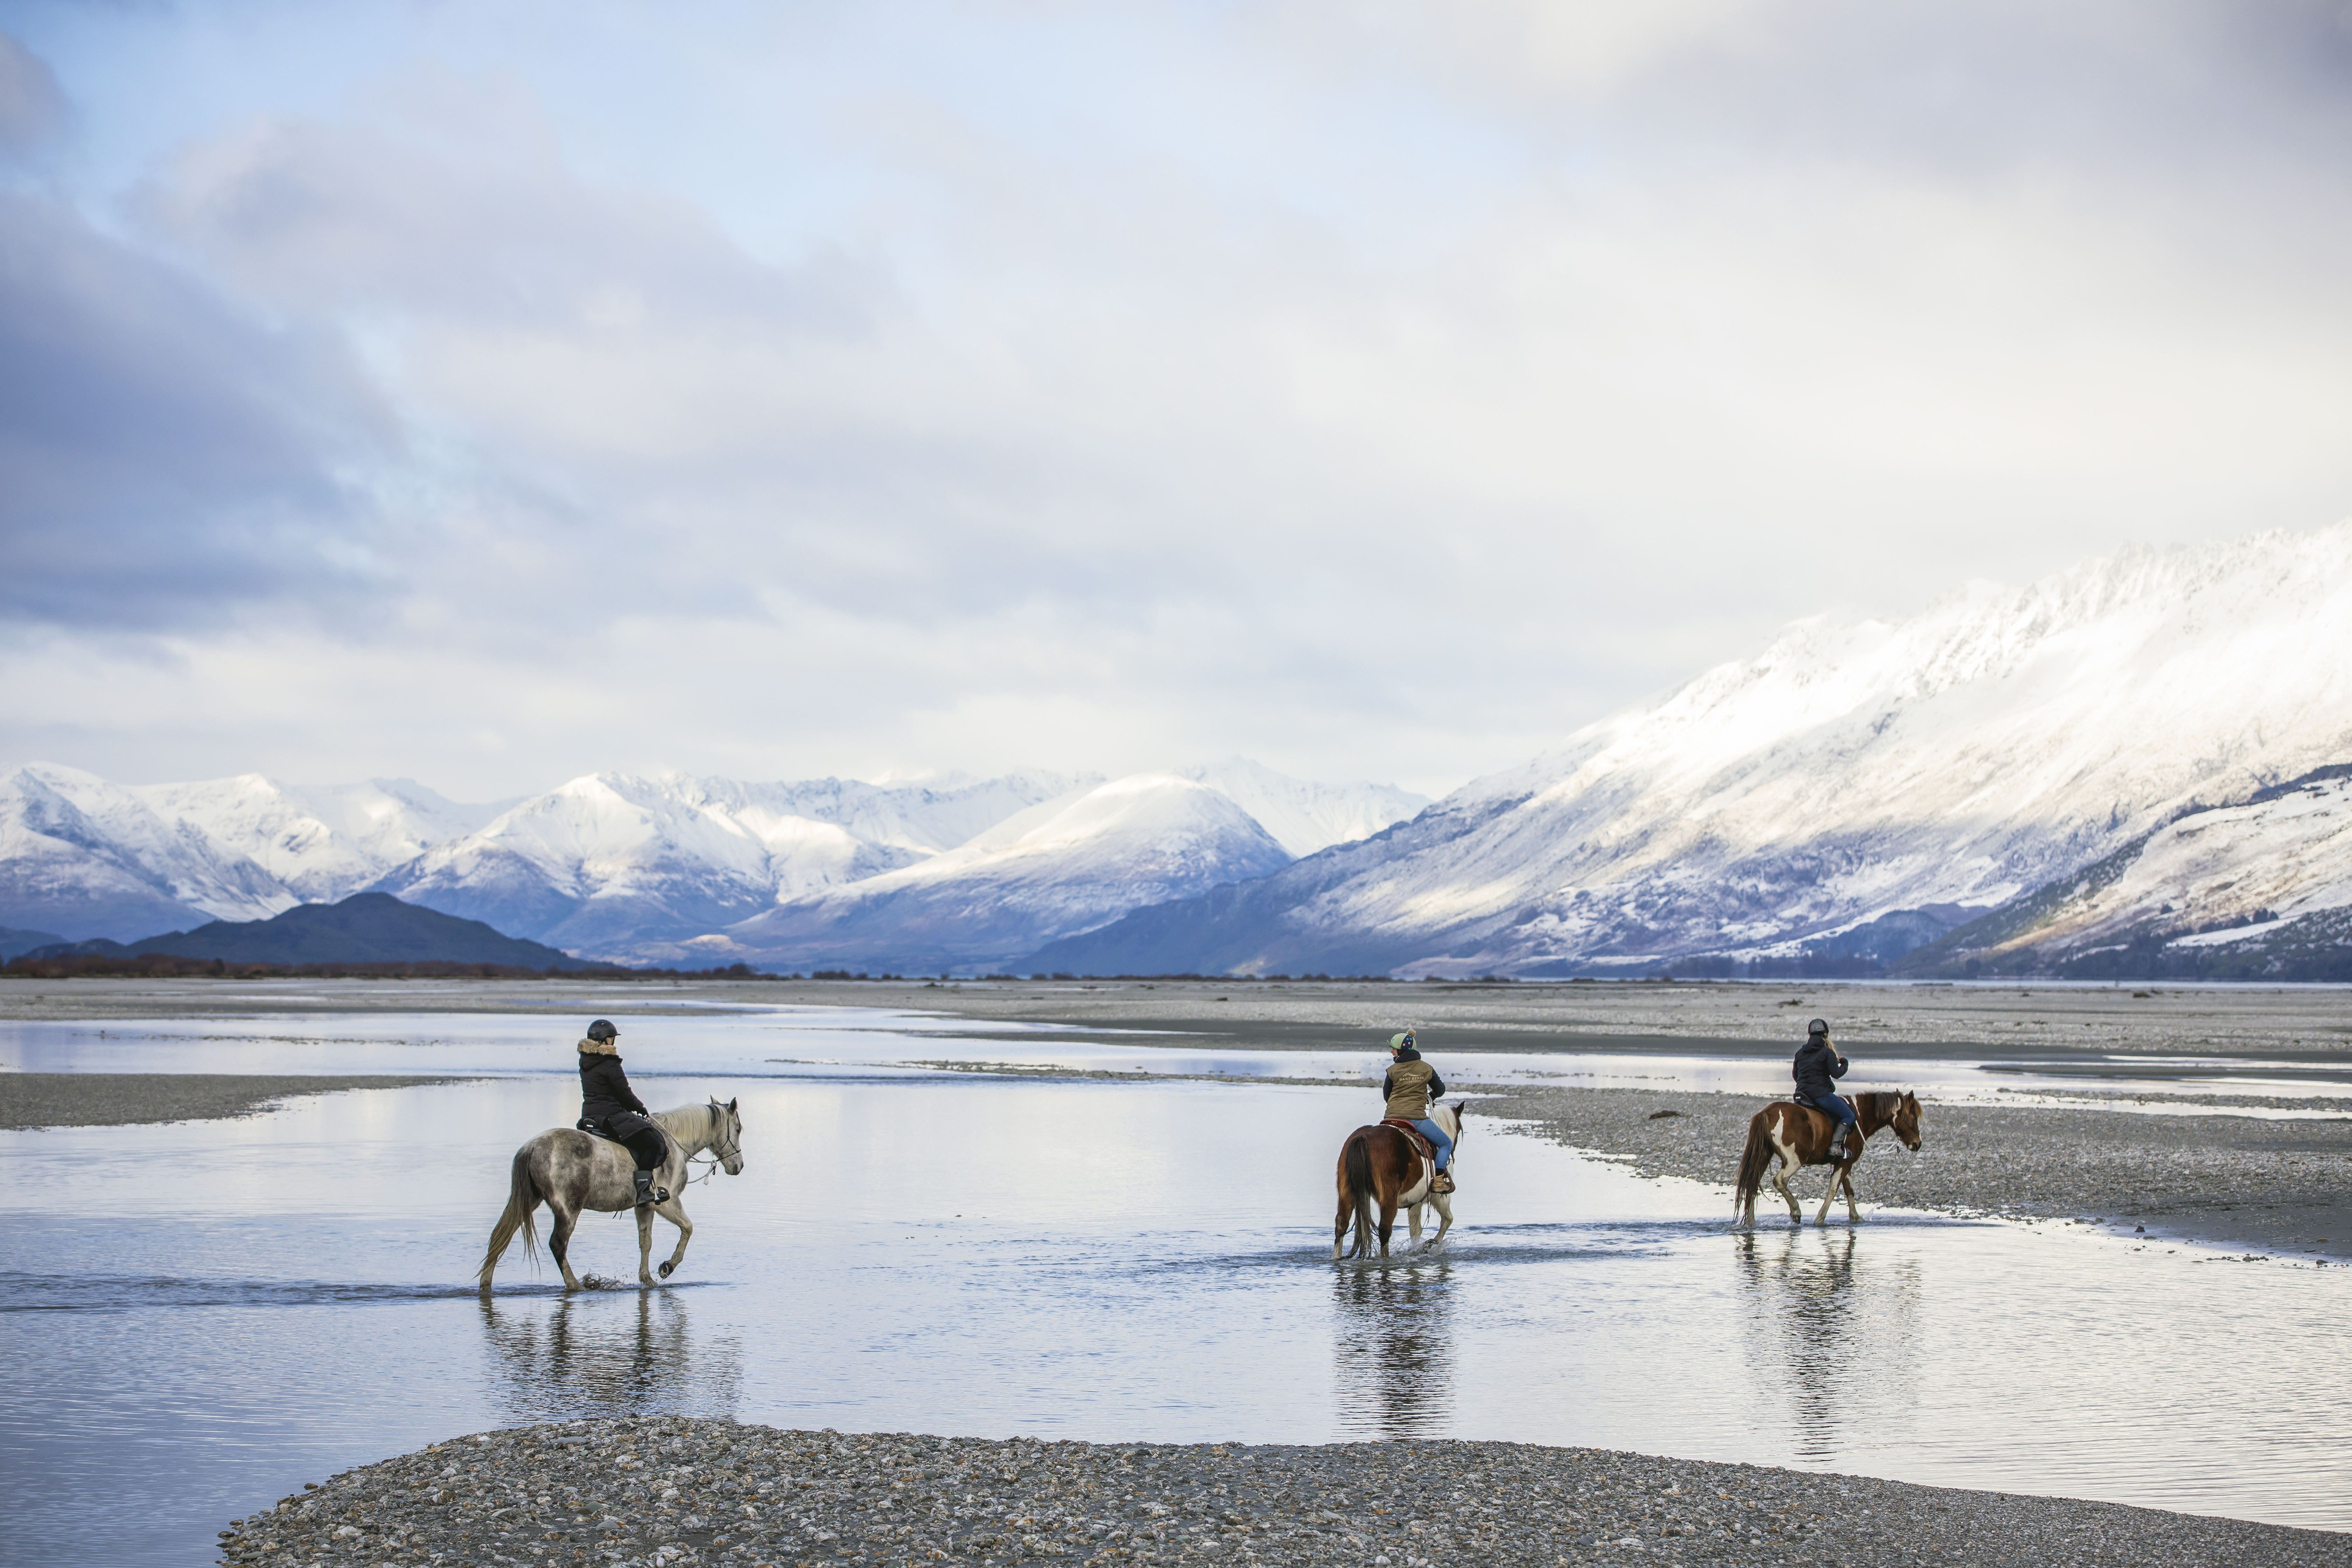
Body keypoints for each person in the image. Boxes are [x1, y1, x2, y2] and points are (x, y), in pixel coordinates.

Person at [577, 1018, 670, 1207]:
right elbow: (625, 1094)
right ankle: (644, 1192)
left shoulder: (585, 1062)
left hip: (589, 1116)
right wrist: (640, 1108)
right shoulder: (609, 1063)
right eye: (612, 1038)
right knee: (653, 1144)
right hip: (610, 1116)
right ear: (605, 1040)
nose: (614, 1042)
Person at [1382, 1029, 1455, 1194]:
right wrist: (1430, 1096)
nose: (1391, 1051)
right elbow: (1441, 1090)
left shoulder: (1392, 1071)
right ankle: (1438, 1182)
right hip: (1416, 1119)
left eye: (1393, 1048)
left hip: (1390, 1119)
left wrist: (1398, 1104)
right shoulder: (1427, 1068)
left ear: (1402, 1051)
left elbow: (1387, 1096)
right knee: (1446, 1144)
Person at [1792, 1017, 1857, 1164]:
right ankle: (1835, 1147)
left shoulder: (1800, 1053)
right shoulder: (1827, 1053)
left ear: (1810, 1035)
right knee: (1849, 1115)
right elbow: (1837, 1074)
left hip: (1801, 1095)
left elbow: (1796, 1075)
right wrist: (1845, 1063)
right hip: (1820, 1095)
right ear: (1826, 1035)